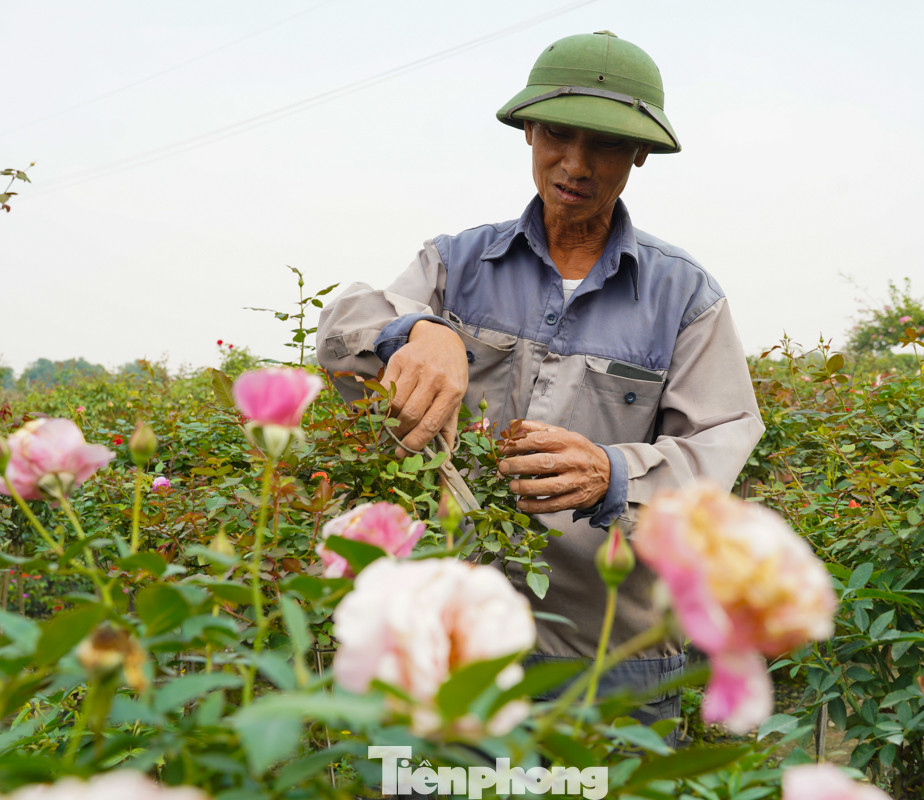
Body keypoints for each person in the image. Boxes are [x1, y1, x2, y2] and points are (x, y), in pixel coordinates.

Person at [316, 31, 764, 729]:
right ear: (528, 130)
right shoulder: (456, 266)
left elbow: (721, 444)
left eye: (607, 145)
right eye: (557, 133)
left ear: (640, 153)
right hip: (451, 655)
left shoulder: (684, 297)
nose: (576, 164)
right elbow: (344, 332)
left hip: (613, 663)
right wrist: (419, 332)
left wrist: (615, 476)